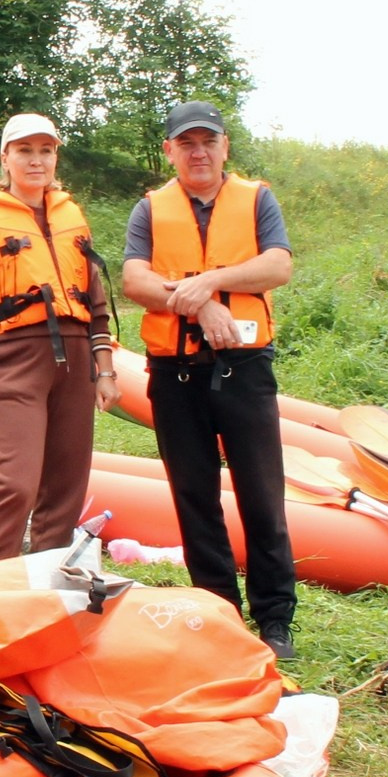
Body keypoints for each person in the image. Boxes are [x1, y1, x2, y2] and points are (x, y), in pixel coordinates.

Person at [119, 100, 299, 659]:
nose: (199, 152)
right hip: (175, 373)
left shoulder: (256, 200)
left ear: (224, 148)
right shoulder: (150, 210)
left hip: (244, 370)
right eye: (186, 143)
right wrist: (199, 308)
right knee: (193, 494)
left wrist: (212, 281)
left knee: (262, 495)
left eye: (208, 142)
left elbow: (278, 265)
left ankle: (275, 620)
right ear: (170, 151)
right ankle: (217, 609)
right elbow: (134, 280)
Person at [0, 113, 120, 564]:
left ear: (56, 157)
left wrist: (105, 371)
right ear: (5, 158)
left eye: (46, 151)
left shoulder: (70, 215)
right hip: (13, 358)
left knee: (66, 486)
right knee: (17, 483)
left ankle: (46, 587)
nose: (36, 161)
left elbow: (94, 300)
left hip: (76, 360)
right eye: (25, 151)